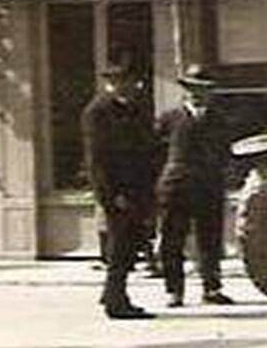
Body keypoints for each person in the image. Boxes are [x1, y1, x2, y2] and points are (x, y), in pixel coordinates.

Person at [82, 60, 158, 320]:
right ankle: (116, 300)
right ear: (107, 84)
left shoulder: (137, 109)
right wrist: (112, 195)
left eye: (126, 81)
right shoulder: (98, 112)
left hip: (138, 189)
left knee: (130, 244)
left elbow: (147, 150)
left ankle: (112, 292)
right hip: (117, 192)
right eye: (115, 82)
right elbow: (98, 159)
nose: (121, 87)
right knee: (120, 247)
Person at [154, 65, 233, 308]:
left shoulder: (219, 119)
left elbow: (226, 152)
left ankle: (211, 287)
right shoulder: (169, 119)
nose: (198, 94)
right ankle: (174, 290)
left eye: (204, 89)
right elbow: (153, 152)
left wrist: (224, 173)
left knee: (209, 238)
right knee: (172, 238)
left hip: (209, 184)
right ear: (185, 90)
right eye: (193, 89)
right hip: (175, 185)